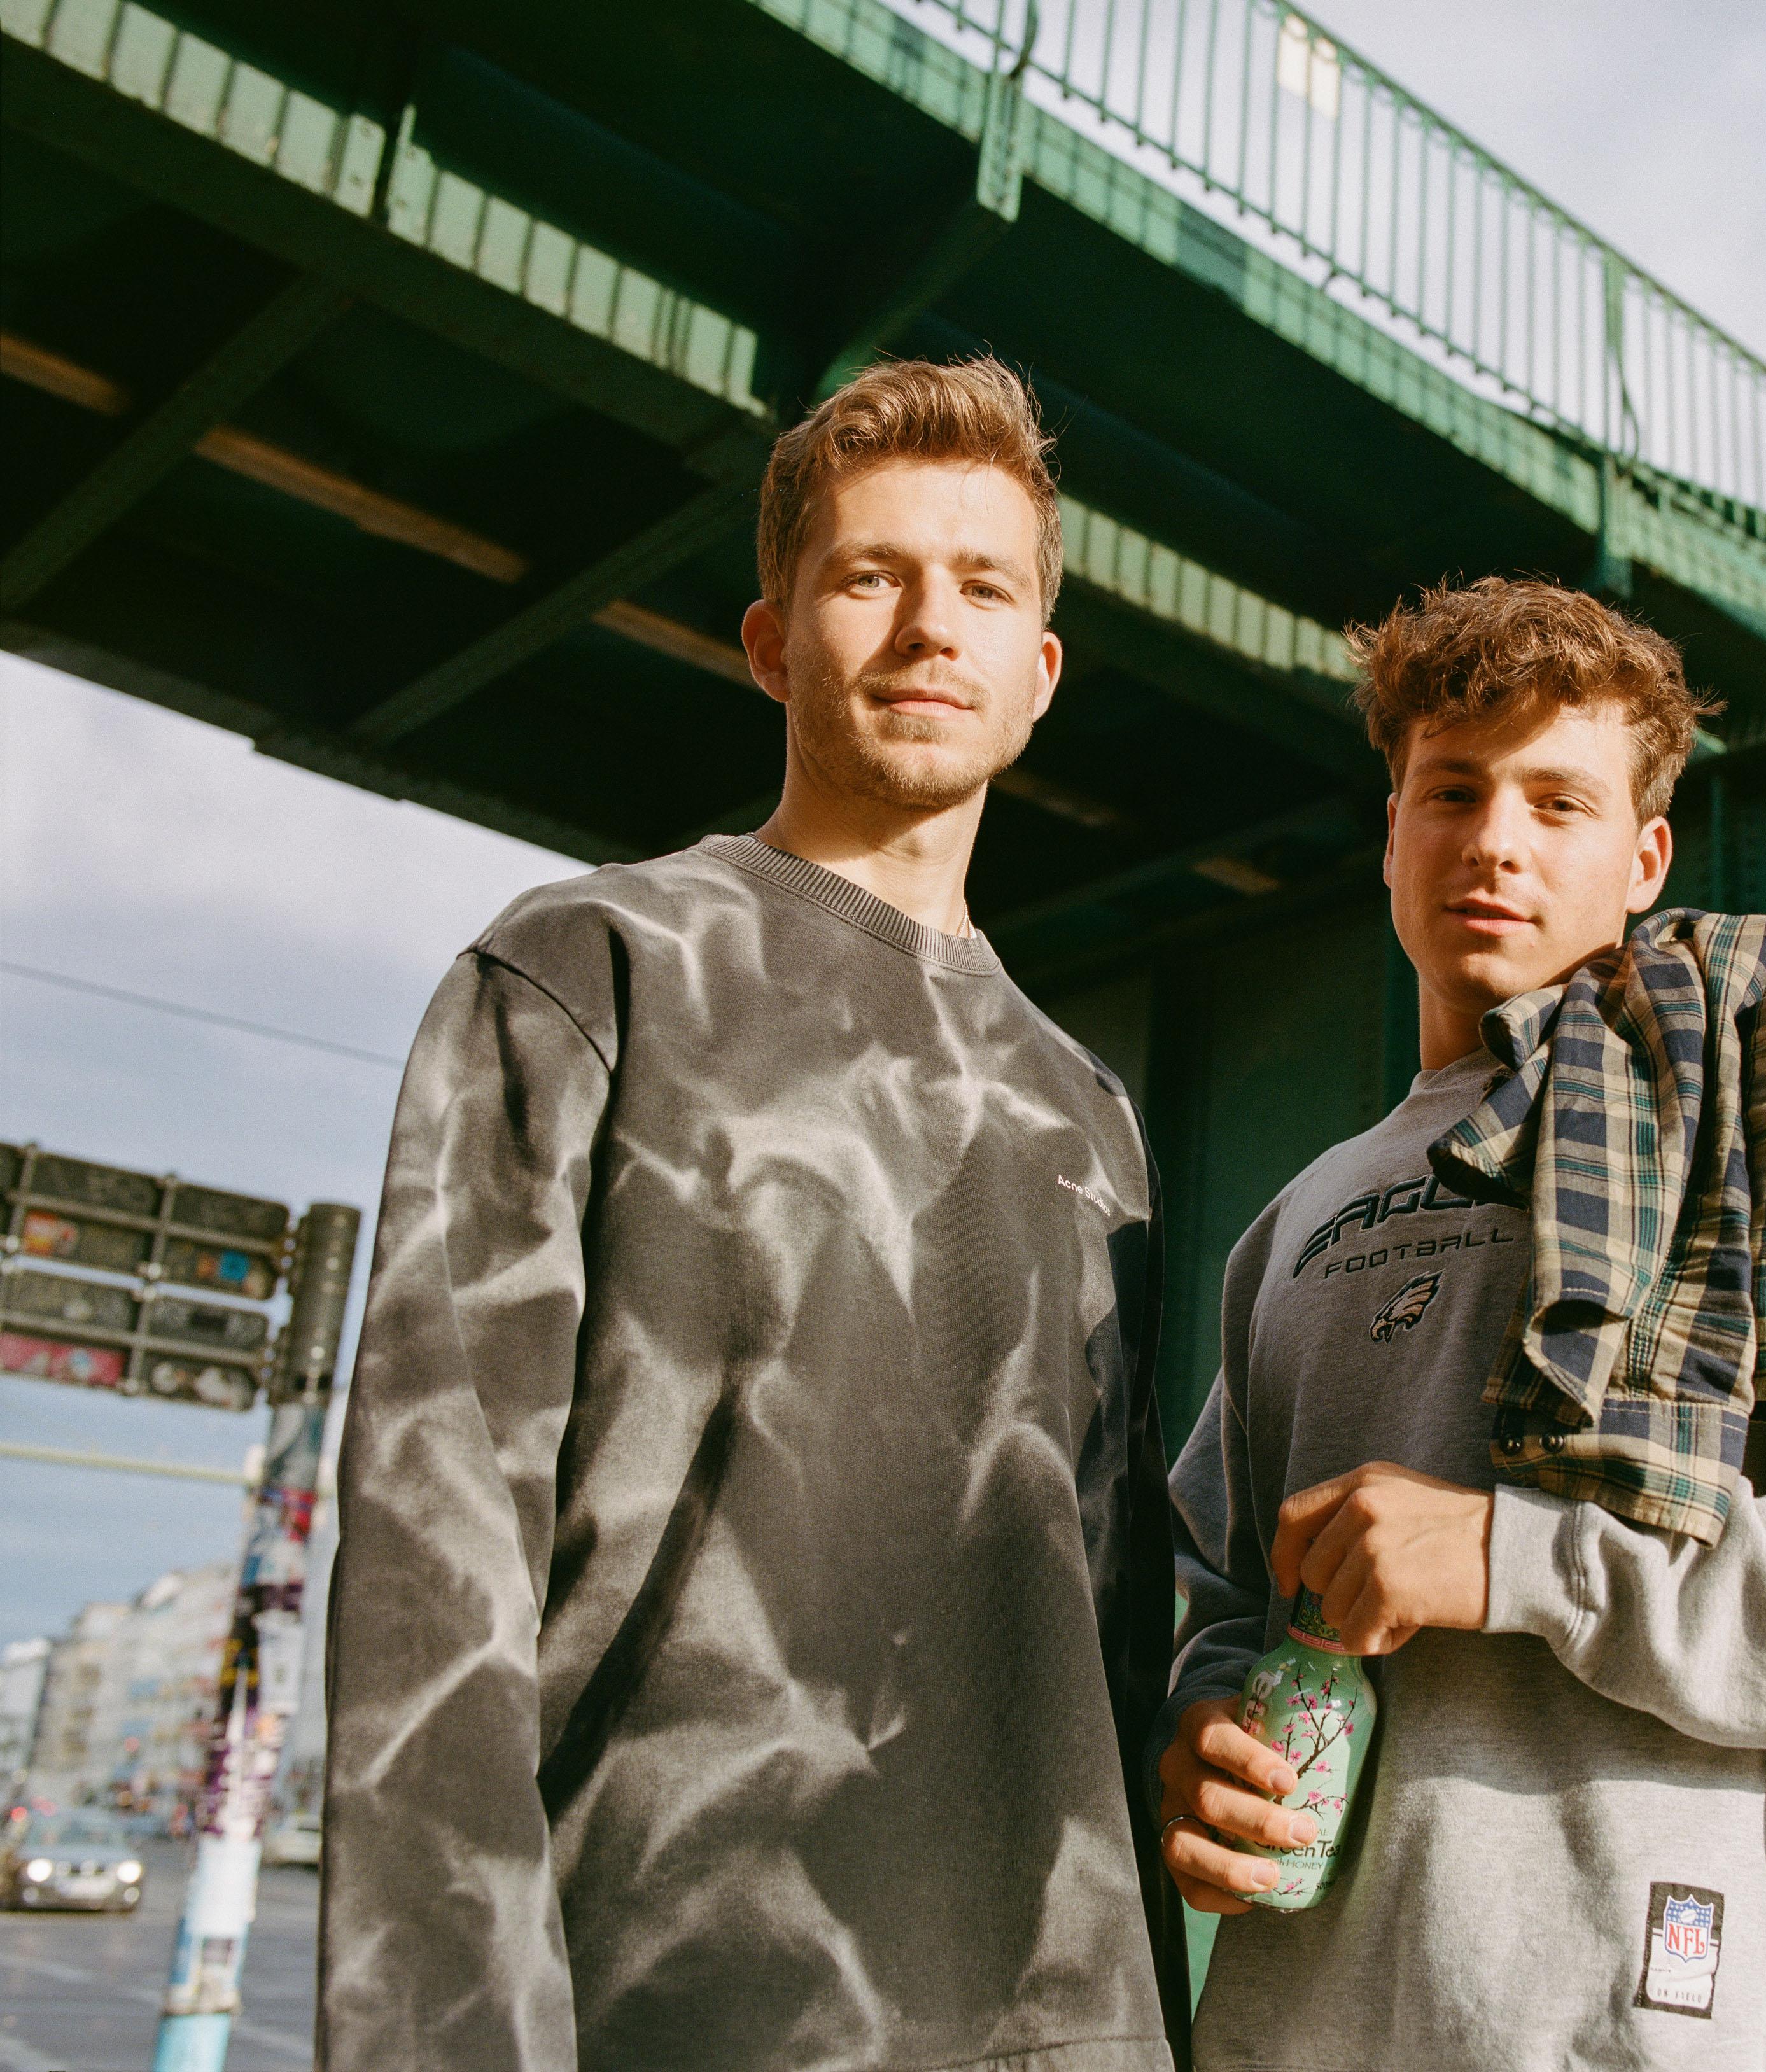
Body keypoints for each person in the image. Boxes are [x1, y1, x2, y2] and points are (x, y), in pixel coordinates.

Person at [321, 356, 1186, 2071]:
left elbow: (1106, 1637)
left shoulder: (1094, 1121)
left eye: (985, 587)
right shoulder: (590, 975)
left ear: (1043, 673)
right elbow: (435, 1580)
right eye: (871, 576)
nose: (933, 626)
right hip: (686, 2005)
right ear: (773, 641)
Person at [1153, 577, 1766, 2069]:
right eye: (1449, 789)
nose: (1495, 840)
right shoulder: (1294, 1219)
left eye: (1559, 800)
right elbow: (1213, 1593)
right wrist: (1198, 1737)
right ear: (1388, 830)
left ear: (1645, 855)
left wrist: (1522, 1556)